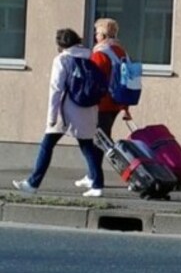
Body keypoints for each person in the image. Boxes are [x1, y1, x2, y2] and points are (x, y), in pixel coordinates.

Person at [12, 29, 105, 197]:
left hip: (66, 111)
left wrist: (51, 117)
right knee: (87, 145)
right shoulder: (89, 58)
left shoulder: (62, 60)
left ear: (61, 44)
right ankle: (97, 184)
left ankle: (33, 183)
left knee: (47, 145)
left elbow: (56, 89)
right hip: (88, 109)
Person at [74, 17, 130, 189]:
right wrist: (125, 107)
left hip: (101, 103)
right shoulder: (120, 51)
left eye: (97, 32)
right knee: (101, 140)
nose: (95, 35)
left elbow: (94, 80)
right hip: (116, 102)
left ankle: (127, 173)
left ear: (103, 34)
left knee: (97, 142)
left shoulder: (100, 53)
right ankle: (92, 174)